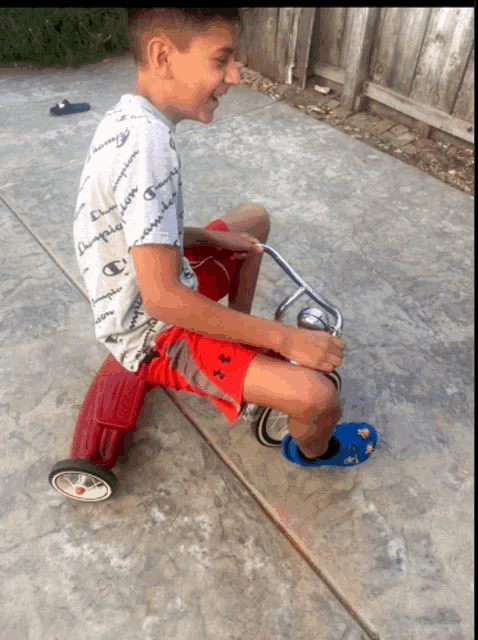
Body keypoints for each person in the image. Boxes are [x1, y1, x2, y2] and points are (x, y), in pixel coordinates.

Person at [73, 8, 377, 469]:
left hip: (150, 283)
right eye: (222, 60)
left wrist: (203, 238)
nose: (235, 75)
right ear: (162, 56)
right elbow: (162, 302)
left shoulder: (130, 119)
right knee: (317, 399)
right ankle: (313, 450)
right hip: (154, 334)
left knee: (252, 221)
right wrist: (285, 340)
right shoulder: (147, 147)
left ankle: (236, 340)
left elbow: (131, 222)